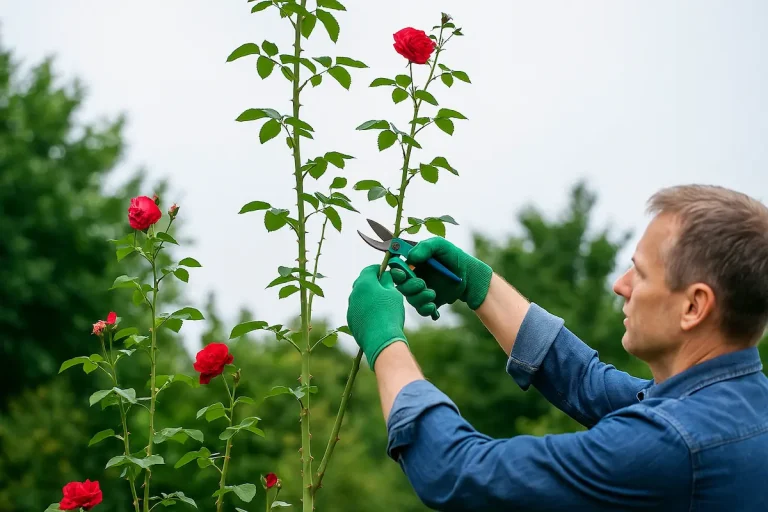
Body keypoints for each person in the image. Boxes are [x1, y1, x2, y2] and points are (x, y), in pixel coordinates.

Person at [346, 184, 768, 511]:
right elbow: (586, 381)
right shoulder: (739, 402)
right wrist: (479, 285)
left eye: (639, 274)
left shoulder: (672, 447)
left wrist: (385, 340)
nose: (620, 285)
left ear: (693, 306)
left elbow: (458, 472)